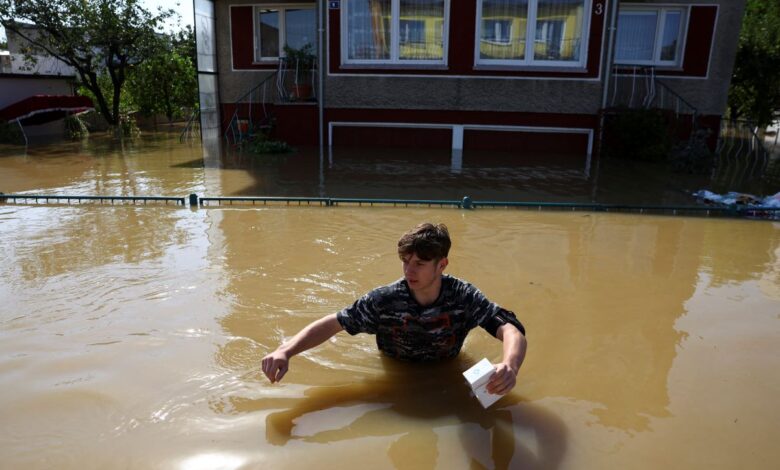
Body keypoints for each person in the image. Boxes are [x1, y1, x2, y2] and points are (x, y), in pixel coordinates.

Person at [261, 222, 527, 396]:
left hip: (447, 370)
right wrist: (286, 351)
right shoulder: (384, 300)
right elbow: (334, 323)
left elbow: (510, 329)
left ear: (442, 264)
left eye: (420, 263)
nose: (410, 270)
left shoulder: (463, 296)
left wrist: (509, 367)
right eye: (406, 261)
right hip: (396, 375)